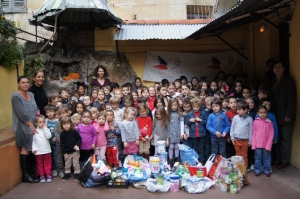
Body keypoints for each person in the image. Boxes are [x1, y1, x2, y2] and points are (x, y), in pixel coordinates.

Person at [12, 76, 39, 183]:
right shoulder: (16, 96)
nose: (26, 84)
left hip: (32, 123)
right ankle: (25, 175)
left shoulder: (31, 94)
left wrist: (37, 119)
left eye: (27, 82)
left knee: (32, 146)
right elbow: (21, 114)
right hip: (22, 125)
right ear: (18, 84)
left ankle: (31, 172)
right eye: (23, 82)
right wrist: (31, 126)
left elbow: (36, 108)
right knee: (25, 147)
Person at [272, 61, 296, 169]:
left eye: (279, 67)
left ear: (283, 68)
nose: (277, 69)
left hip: (286, 115)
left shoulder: (288, 81)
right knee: (278, 137)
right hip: (276, 114)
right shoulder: (274, 81)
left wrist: (289, 115)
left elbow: (292, 99)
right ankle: (279, 158)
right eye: (275, 67)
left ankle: (285, 160)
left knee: (286, 139)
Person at [230, 101, 253, 174]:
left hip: (245, 141)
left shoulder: (249, 119)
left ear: (246, 110)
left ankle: (244, 168)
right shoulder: (235, 118)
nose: (238, 111)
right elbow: (232, 128)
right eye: (237, 109)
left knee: (244, 155)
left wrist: (250, 141)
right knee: (237, 154)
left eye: (240, 110)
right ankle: (237, 168)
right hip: (236, 140)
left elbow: (250, 130)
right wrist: (232, 137)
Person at [252, 105, 274, 177]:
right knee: (257, 158)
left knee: (267, 158)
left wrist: (269, 144)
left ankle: (267, 170)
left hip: (266, 144)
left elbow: (271, 134)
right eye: (261, 113)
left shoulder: (269, 123)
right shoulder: (255, 122)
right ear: (257, 113)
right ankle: (257, 170)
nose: (263, 114)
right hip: (258, 144)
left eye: (264, 112)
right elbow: (254, 134)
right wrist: (253, 144)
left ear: (267, 113)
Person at [186, 97, 208, 163]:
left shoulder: (203, 113)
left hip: (201, 134)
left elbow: (206, 122)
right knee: (195, 149)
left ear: (199, 106)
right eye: (194, 107)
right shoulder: (190, 114)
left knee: (201, 149)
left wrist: (201, 120)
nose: (195, 108)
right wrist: (189, 121)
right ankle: (195, 162)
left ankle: (202, 162)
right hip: (193, 134)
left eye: (197, 107)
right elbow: (187, 123)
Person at [60, 116, 82, 182]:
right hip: (67, 151)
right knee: (67, 163)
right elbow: (62, 144)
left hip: (75, 150)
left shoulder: (74, 131)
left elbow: (79, 138)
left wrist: (77, 145)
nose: (66, 126)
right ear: (62, 125)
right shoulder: (62, 134)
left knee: (76, 163)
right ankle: (67, 173)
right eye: (64, 124)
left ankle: (77, 173)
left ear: (70, 124)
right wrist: (64, 153)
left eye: (67, 124)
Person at [32, 115, 52, 183]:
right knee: (39, 164)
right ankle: (41, 175)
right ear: (36, 123)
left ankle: (48, 174)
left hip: (46, 150)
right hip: (38, 151)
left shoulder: (46, 129)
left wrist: (45, 128)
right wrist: (33, 149)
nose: (42, 124)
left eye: (43, 122)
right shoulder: (35, 131)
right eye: (40, 122)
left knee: (47, 163)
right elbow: (33, 141)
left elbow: (48, 136)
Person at [44, 104, 58, 177]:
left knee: (55, 156)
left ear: (55, 112)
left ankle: (55, 169)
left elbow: (59, 131)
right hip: (47, 143)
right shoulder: (45, 121)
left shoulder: (57, 121)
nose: (49, 113)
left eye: (51, 111)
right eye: (47, 112)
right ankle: (49, 169)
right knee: (49, 157)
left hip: (55, 142)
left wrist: (56, 137)